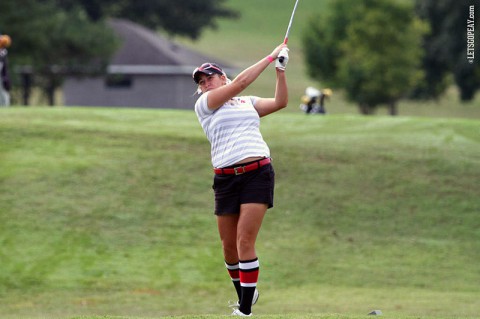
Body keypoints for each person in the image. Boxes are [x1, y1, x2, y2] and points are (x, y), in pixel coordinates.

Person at [192, 43, 289, 317]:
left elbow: (280, 102)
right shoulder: (205, 104)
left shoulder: (247, 103)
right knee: (228, 247)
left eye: (209, 77)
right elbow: (243, 81)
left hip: (257, 173)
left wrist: (279, 70)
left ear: (223, 78)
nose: (205, 83)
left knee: (245, 240)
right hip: (225, 180)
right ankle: (245, 293)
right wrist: (269, 57)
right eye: (201, 81)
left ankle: (245, 310)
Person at [0, 34, 12, 107]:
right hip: (3, 75)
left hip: (2, 76)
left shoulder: (3, 52)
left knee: (3, 92)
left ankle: (5, 106)